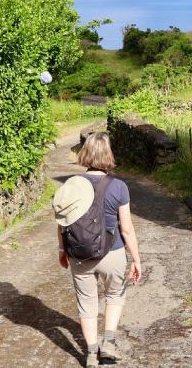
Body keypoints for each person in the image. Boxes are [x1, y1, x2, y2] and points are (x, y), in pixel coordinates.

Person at [54, 132, 142, 368]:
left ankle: (92, 354)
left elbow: (62, 222)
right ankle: (109, 343)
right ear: (108, 155)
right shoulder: (119, 187)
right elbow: (127, 229)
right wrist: (136, 259)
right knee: (114, 295)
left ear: (85, 153)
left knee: (87, 303)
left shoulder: (72, 185)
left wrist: (62, 249)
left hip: (79, 254)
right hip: (112, 253)